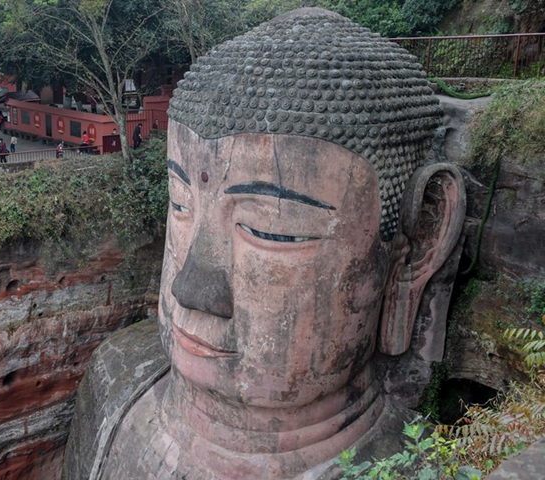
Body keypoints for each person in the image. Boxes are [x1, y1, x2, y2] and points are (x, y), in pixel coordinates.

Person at [62, 9, 465, 480]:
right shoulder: (115, 379)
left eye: (270, 230)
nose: (189, 288)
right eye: (179, 204)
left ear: (417, 246)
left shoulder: (428, 469)